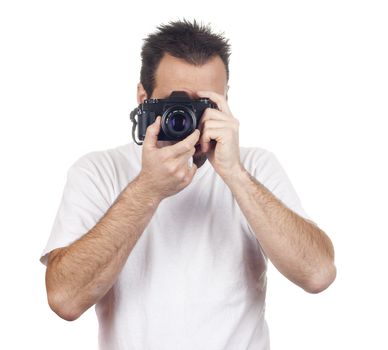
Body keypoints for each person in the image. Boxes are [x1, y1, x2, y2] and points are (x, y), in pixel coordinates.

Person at [40, 19, 336, 350]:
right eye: (175, 103)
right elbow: (65, 299)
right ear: (143, 98)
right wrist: (148, 189)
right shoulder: (98, 170)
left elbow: (318, 274)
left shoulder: (253, 167)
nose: (187, 119)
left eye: (204, 105)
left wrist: (234, 174)